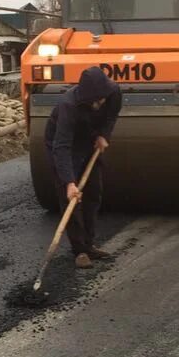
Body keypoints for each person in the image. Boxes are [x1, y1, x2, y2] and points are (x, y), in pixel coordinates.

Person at [45, 66, 122, 268]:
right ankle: (79, 250)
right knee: (71, 199)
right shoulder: (68, 106)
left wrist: (104, 134)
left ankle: (89, 244)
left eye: (101, 98)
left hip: (89, 142)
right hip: (63, 145)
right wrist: (69, 182)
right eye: (95, 100)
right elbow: (61, 146)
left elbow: (112, 116)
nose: (99, 103)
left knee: (93, 192)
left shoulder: (113, 92)